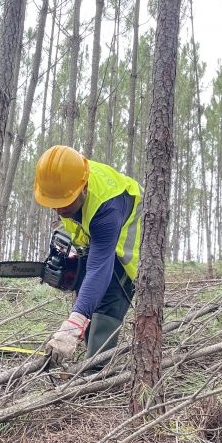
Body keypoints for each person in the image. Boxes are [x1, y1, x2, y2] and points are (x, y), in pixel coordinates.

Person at [34, 145, 142, 367]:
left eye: (64, 203)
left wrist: (72, 326)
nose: (59, 209)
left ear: (82, 187)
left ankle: (96, 373)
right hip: (97, 241)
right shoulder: (64, 180)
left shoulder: (106, 207)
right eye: (54, 203)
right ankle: (87, 357)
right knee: (86, 284)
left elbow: (99, 268)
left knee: (111, 294)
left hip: (127, 249)